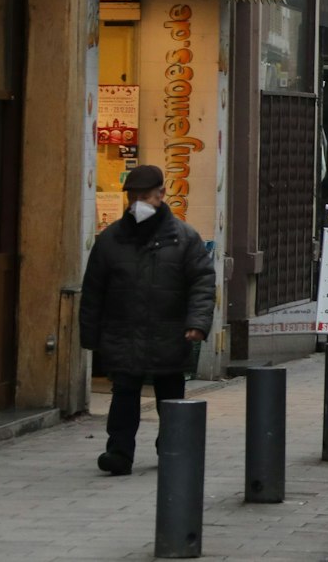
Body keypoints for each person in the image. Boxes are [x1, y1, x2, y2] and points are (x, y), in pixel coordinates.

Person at [78, 164, 216, 475]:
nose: (140, 203)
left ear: (161, 195)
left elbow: (202, 283)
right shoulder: (111, 239)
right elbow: (93, 290)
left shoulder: (184, 238)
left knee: (171, 396)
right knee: (124, 394)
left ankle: (173, 447)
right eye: (134, 197)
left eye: (146, 196)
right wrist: (90, 336)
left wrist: (197, 323)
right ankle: (119, 453)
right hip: (123, 333)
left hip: (170, 332)